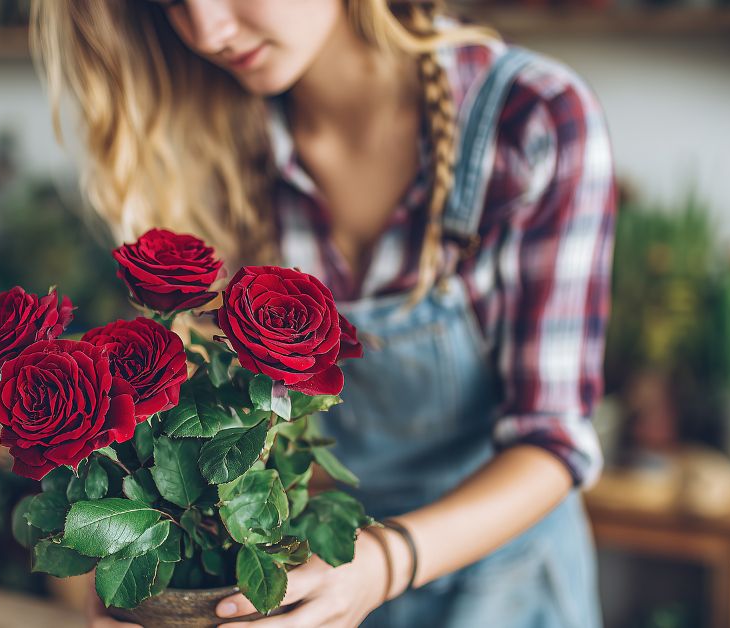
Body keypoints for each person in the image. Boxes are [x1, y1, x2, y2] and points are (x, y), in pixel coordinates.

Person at [31, 1, 615, 626]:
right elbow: (225, 424)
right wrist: (149, 582)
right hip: (319, 579)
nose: (207, 31)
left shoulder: (533, 119)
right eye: (171, 0)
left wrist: (384, 563)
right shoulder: (211, 145)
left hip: (506, 589)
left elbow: (552, 441)